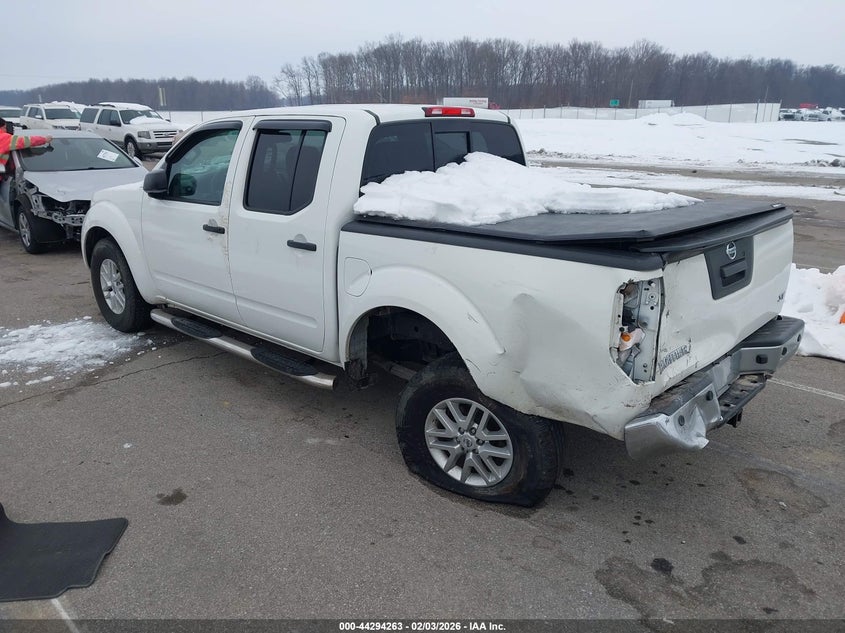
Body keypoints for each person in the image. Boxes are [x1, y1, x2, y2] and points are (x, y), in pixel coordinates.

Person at [0, 117, 52, 205]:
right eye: (5, 127)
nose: (6, 129)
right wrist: (44, 140)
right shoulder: (4, 138)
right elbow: (25, 141)